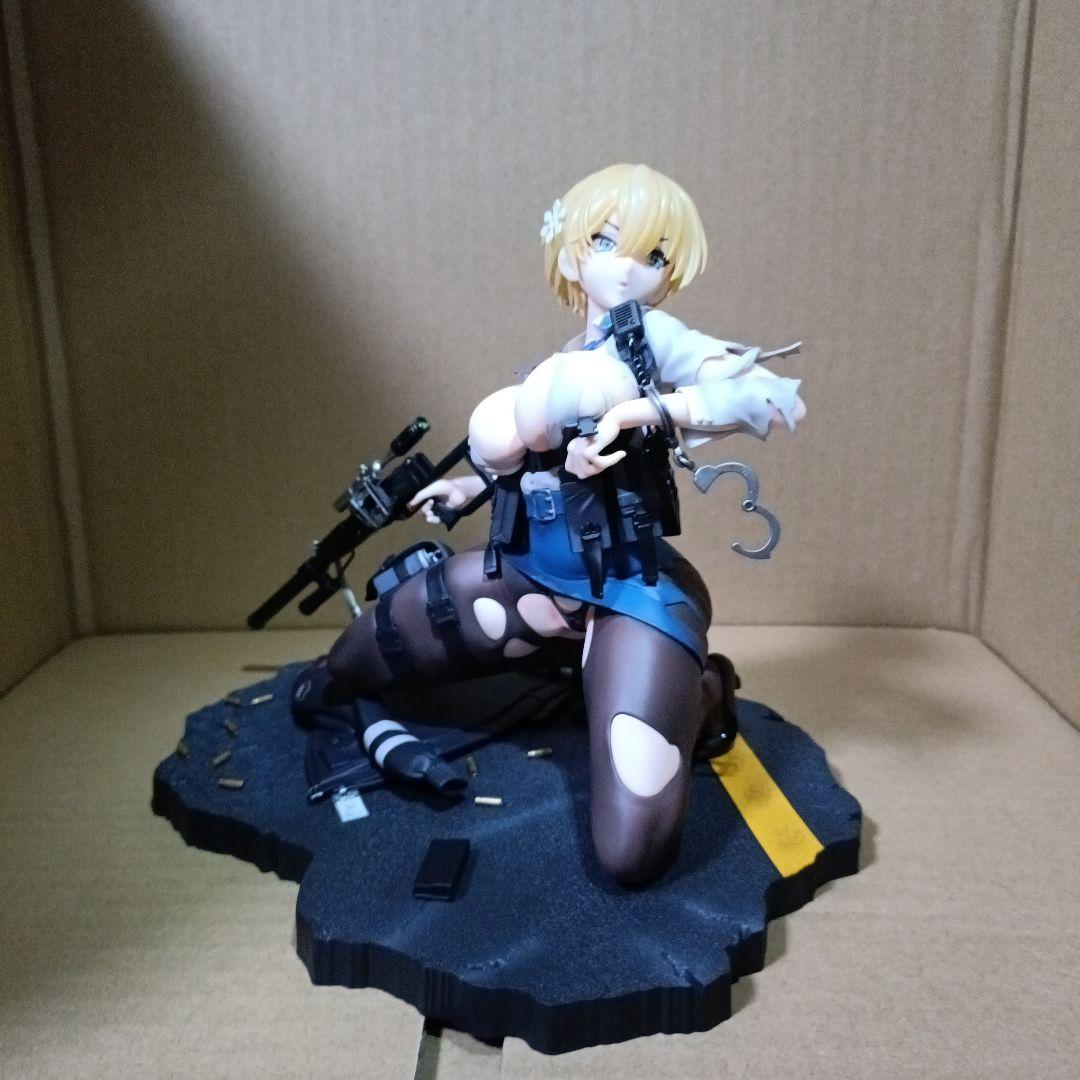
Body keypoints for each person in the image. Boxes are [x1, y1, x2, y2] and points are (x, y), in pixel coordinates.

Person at [326, 163, 804, 884]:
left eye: (654, 254)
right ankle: (562, 660)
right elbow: (526, 452)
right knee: (361, 655)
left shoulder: (653, 341)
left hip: (628, 588)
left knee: (633, 849)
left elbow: (766, 394)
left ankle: (701, 689)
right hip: (529, 572)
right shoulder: (564, 361)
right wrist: (468, 486)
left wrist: (649, 410)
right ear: (572, 251)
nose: (629, 268)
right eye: (607, 242)